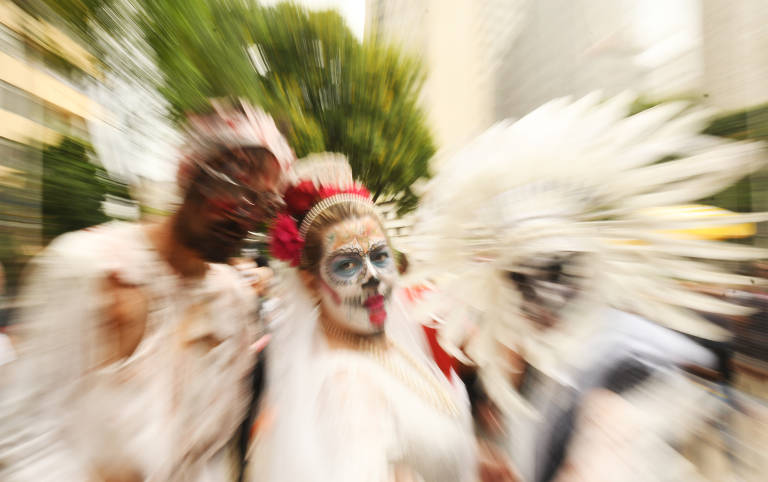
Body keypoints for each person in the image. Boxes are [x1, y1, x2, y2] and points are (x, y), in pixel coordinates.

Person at [408, 93, 768, 481]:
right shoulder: (554, 360)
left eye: (556, 270)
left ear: (589, 265)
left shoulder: (628, 362)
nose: (540, 296)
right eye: (520, 278)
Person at [0, 99, 294, 481]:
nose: (243, 216)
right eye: (231, 188)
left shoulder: (233, 302)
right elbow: (24, 436)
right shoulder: (89, 266)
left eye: (260, 203)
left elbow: (211, 450)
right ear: (189, 174)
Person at [246, 154, 477, 482]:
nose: (373, 277)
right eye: (347, 265)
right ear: (311, 284)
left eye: (380, 256)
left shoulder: (387, 347)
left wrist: (471, 460)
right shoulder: (346, 388)